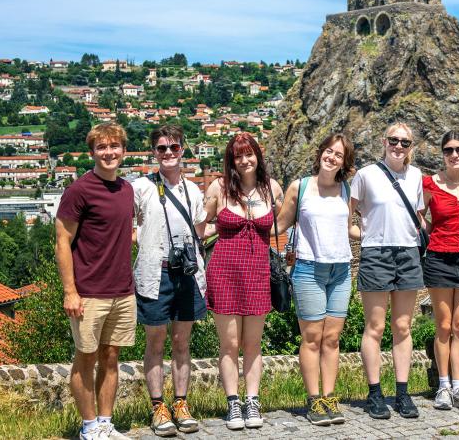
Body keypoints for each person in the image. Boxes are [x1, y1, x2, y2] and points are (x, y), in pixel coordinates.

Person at [55, 122, 135, 440]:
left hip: (122, 290)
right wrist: (69, 291)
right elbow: (62, 241)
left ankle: (105, 422)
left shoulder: (126, 189)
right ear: (92, 153)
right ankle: (88, 427)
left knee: (112, 357)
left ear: (123, 151)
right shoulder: (79, 191)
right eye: (102, 147)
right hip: (88, 291)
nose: (109, 152)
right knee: (85, 358)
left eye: (114, 146)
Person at [273, 133, 356, 426]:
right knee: (311, 339)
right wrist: (249, 223)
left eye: (339, 155)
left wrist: (382, 231)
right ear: (320, 153)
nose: (331, 157)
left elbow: (349, 229)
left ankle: (329, 397)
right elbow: (280, 224)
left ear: (344, 163)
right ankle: (313, 401)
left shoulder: (345, 190)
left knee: (332, 339)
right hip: (308, 269)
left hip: (341, 270)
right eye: (329, 151)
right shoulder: (301, 186)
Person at [203, 132, 284, 429]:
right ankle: (233, 403)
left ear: (258, 156)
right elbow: (202, 225)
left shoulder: (271, 188)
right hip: (224, 270)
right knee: (230, 344)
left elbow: (285, 221)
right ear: (231, 160)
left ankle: (252, 401)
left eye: (249, 154)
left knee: (253, 344)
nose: (245, 160)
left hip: (258, 272)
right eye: (238, 156)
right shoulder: (219, 188)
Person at [132, 124, 207, 436]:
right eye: (161, 148)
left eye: (173, 148)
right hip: (155, 272)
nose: (167, 153)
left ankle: (180, 402)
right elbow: (127, 225)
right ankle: (157, 406)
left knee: (181, 341)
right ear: (154, 153)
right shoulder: (141, 187)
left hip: (186, 274)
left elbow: (200, 231)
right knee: (156, 340)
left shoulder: (193, 191)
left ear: (182, 150)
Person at [350, 122, 425, 420]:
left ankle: (402, 393)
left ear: (411, 147)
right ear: (384, 141)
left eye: (404, 142)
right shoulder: (365, 175)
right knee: (376, 327)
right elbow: (349, 218)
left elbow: (419, 218)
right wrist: (367, 238)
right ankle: (375, 393)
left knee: (403, 327)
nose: (398, 146)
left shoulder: (416, 175)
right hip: (377, 254)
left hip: (407, 253)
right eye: (393, 140)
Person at [421, 131, 459, 414]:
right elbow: (418, 216)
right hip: (439, 260)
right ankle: (443, 386)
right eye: (448, 150)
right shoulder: (428, 184)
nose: (454, 154)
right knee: (443, 326)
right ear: (442, 154)